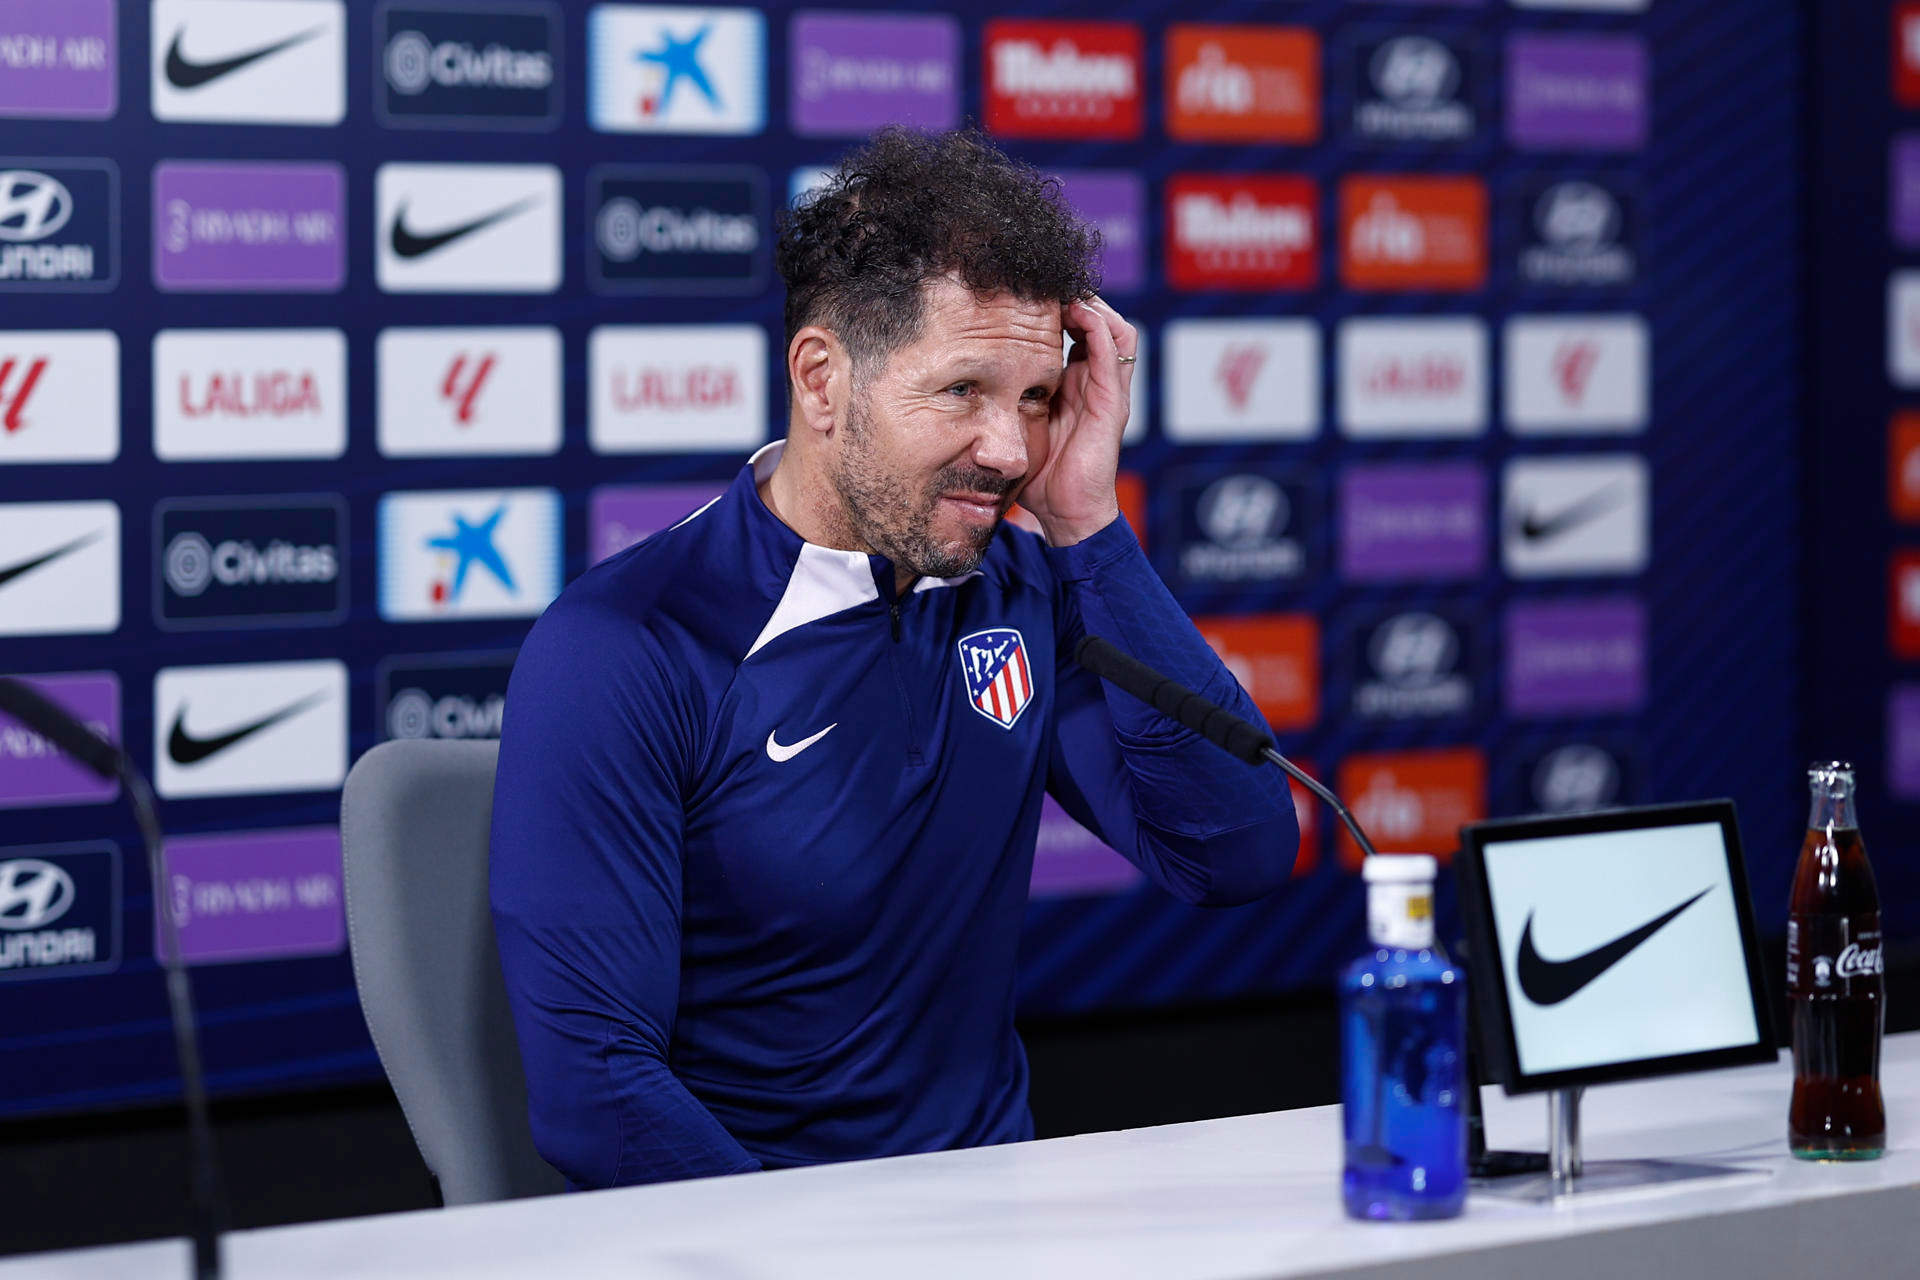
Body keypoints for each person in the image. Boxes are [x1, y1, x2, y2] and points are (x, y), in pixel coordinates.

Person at [489, 128, 1299, 1190]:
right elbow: (598, 1092)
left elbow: (1233, 852)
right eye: (963, 390)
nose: (1010, 450)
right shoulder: (625, 645)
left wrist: (1087, 521)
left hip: (999, 1225)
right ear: (824, 380)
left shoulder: (1025, 586)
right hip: (753, 1245)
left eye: (1036, 399)